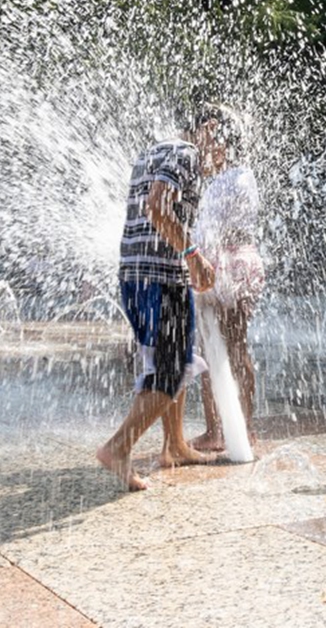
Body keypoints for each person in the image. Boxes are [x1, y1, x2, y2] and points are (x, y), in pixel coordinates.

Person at [96, 103, 235, 491]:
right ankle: (117, 447)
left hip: (144, 273)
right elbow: (157, 206)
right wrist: (193, 257)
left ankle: (173, 445)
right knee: (170, 370)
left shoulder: (157, 150)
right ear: (210, 129)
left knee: (176, 358)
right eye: (227, 147)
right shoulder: (186, 154)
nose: (224, 161)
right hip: (158, 276)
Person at [189, 161, 266, 454]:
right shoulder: (240, 175)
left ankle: (220, 432)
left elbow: (218, 228)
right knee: (232, 347)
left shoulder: (233, 177)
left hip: (228, 264)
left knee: (221, 347)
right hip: (240, 261)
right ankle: (242, 428)